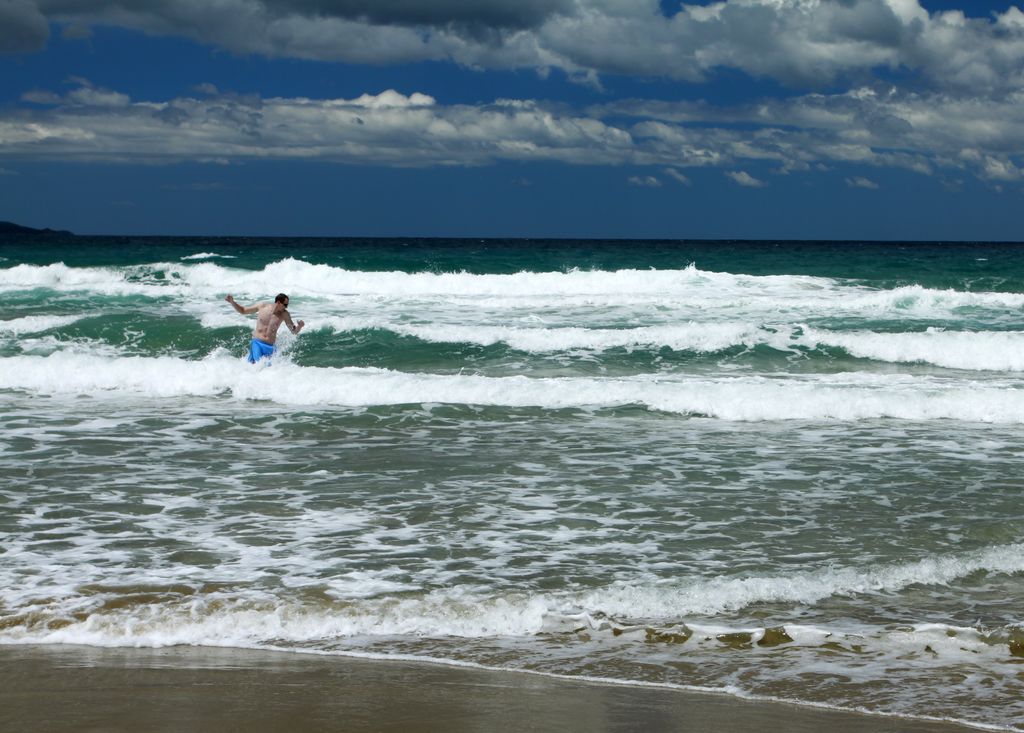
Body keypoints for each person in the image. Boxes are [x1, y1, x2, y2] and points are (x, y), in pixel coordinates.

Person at [225, 293, 305, 363]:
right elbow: (243, 310)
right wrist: (232, 302)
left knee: (269, 370)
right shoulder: (262, 306)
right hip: (257, 343)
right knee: (259, 365)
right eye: (285, 305)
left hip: (270, 347)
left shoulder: (285, 314)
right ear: (278, 302)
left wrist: (300, 326)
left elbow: (293, 331)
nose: (286, 307)